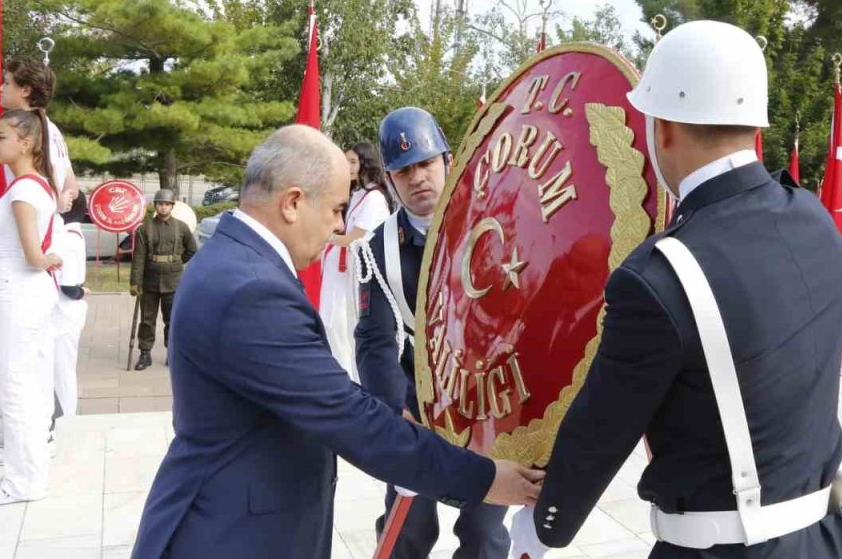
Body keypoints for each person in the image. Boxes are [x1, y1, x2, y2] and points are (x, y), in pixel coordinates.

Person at [509, 20, 842, 557]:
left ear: (666, 128)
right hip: (822, 540)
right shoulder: (815, 219)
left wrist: (543, 526)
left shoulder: (660, 276)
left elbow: (601, 431)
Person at [132, 125, 543, 559]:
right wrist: (486, 479)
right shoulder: (251, 290)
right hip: (231, 533)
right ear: (292, 203)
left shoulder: (230, 259)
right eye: (334, 209)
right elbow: (349, 417)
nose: (340, 225)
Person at [355, 108, 511, 557]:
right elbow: (375, 343)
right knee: (407, 528)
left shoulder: (496, 221)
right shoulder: (377, 249)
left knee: (484, 535)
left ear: (447, 159)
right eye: (403, 171)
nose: (417, 178)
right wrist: (393, 421)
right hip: (416, 406)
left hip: (489, 403)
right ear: (389, 179)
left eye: (425, 164)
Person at [0, 109, 62, 506]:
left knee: (16, 388)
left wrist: (49, 259)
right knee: (30, 383)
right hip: (22, 293)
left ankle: (22, 481)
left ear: (25, 143)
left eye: (1, 137)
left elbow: (34, 255)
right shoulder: (33, 185)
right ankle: (30, 468)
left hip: (19, 291)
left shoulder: (25, 190)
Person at [318, 141, 389, 379]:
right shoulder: (358, 195)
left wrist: (325, 238)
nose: (347, 167)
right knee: (336, 326)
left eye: (352, 162)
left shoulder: (375, 199)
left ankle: (353, 380)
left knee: (345, 328)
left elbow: (356, 237)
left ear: (365, 163)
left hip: (355, 276)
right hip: (342, 273)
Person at [0, 58, 79, 213]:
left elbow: (49, 180)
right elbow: (72, 188)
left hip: (25, 224)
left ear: (26, 90)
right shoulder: (53, 129)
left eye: (6, 83)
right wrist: (59, 202)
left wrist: (55, 204)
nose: (0, 88)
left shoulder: (27, 130)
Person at [130, 189, 197, 371]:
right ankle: (145, 354)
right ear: (155, 205)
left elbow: (192, 249)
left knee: (172, 320)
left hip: (173, 281)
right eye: (160, 203)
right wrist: (135, 282)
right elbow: (138, 258)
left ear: (172, 206)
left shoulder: (181, 227)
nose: (163, 207)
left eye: (167, 204)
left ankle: (172, 353)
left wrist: (175, 262)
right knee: (147, 320)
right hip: (149, 281)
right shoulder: (145, 229)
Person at [53, 193, 89, 418]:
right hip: (65, 312)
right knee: (62, 369)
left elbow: (68, 287)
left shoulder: (68, 238)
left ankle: (65, 416)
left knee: (62, 370)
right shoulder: (73, 234)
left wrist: (82, 291)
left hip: (63, 312)